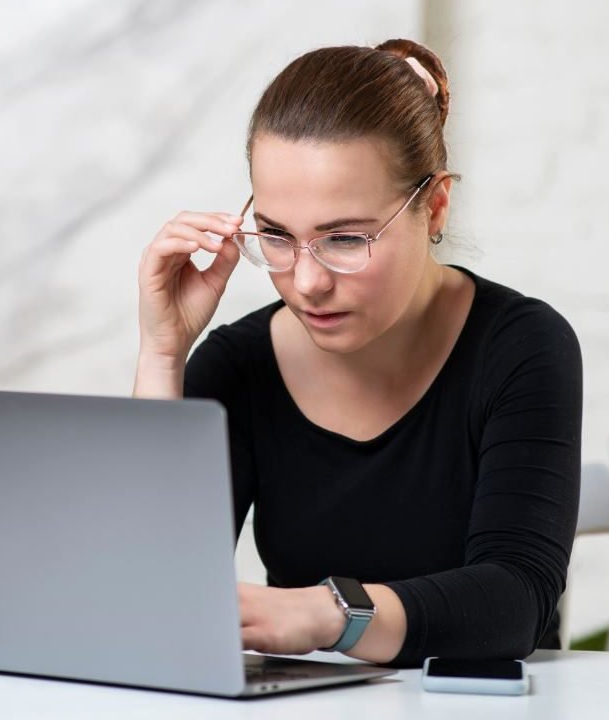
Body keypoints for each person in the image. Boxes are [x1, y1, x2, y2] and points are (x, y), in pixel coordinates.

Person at [133, 38, 582, 667]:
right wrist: (162, 353)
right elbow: (152, 601)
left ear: (434, 208)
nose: (308, 282)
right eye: (278, 236)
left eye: (344, 238)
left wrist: (327, 614)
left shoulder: (520, 348)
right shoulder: (238, 366)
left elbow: (515, 600)